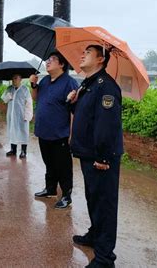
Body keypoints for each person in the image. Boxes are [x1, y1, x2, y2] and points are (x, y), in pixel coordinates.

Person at [67, 45, 123, 268]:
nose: (82, 54)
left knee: (105, 204)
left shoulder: (106, 87)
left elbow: (107, 126)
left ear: (100, 59)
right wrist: (72, 102)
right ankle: (95, 234)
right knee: (94, 199)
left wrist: (103, 158)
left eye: (88, 53)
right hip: (88, 153)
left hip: (101, 157)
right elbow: (84, 116)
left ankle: (105, 257)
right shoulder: (87, 85)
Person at [29, 51, 78, 209]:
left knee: (63, 166)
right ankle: (50, 189)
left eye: (52, 60)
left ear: (62, 64)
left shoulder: (69, 83)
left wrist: (71, 135)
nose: (47, 62)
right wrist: (33, 85)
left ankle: (66, 195)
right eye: (47, 59)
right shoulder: (44, 81)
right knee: (49, 163)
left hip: (60, 134)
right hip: (44, 132)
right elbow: (36, 98)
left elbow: (73, 111)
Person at [1, 74, 33, 159]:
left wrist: (28, 116)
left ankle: (23, 151)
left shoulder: (25, 89)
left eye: (15, 78)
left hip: (22, 115)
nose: (13, 80)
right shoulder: (9, 89)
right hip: (11, 115)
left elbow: (29, 103)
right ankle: (13, 150)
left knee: (23, 132)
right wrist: (8, 96)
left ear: (20, 79)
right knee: (12, 131)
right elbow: (4, 100)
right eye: (12, 78)